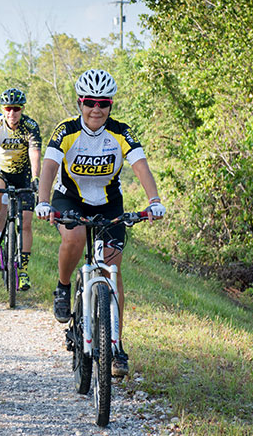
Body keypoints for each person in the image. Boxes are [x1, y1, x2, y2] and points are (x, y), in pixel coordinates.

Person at [35, 69, 166, 377]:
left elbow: (141, 165)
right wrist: (42, 201)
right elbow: (50, 165)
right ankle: (63, 287)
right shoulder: (65, 131)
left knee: (112, 269)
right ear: (80, 102)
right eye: (89, 102)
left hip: (109, 204)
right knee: (75, 238)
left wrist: (154, 200)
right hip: (70, 199)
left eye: (103, 103)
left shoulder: (121, 132)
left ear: (110, 105)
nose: (96, 109)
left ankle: (117, 347)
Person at [0, 88, 41, 291]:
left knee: (25, 222)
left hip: (23, 173)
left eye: (16, 109)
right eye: (8, 109)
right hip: (1, 171)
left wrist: (36, 178)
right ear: (3, 109)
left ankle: (22, 270)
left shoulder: (30, 126)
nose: (12, 113)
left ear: (22, 109)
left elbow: (34, 152)